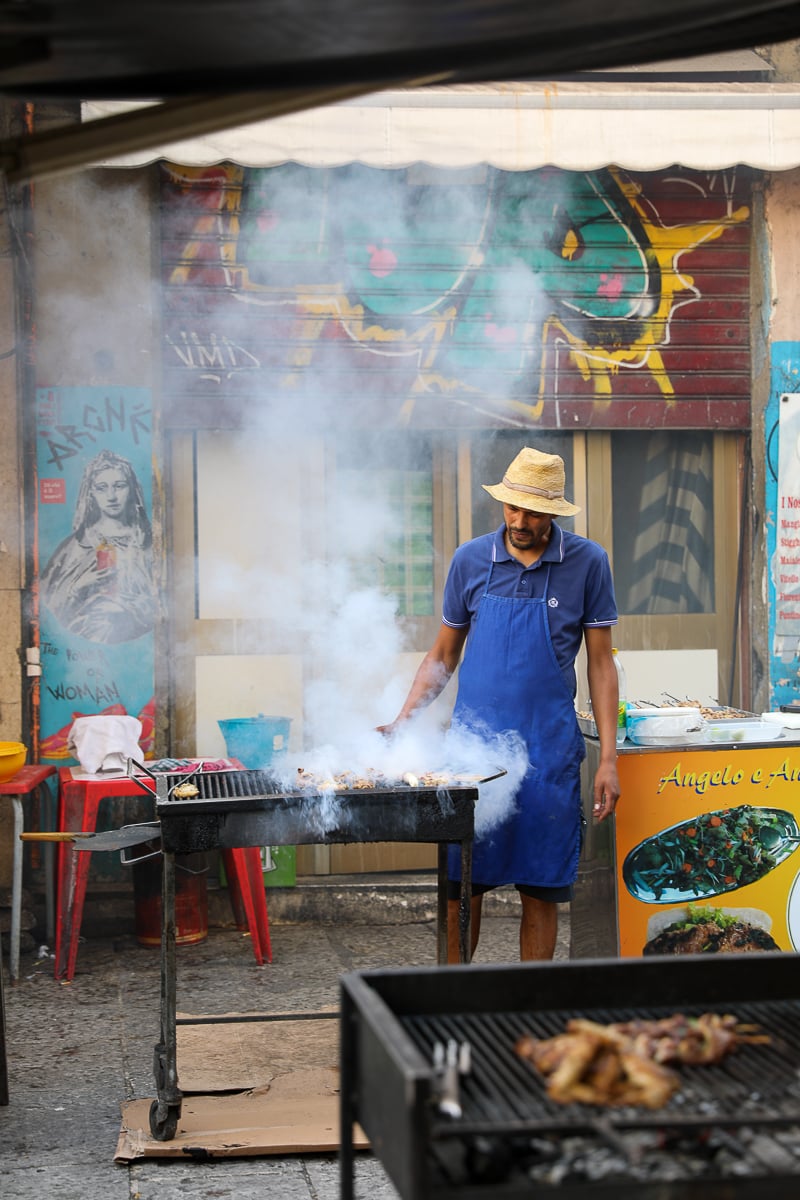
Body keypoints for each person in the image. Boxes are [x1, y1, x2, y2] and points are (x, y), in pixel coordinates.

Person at [379, 446, 620, 962]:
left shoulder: (588, 563)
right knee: (461, 890)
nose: (520, 521)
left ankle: (528, 1011)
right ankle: (454, 1005)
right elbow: (444, 653)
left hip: (547, 755)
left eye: (533, 512)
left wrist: (610, 759)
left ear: (554, 512)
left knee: (541, 889)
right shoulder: (471, 560)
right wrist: (405, 720)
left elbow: (600, 664)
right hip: (471, 758)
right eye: (513, 508)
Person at [41, 449, 157, 644]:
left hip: (135, 643)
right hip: (85, 641)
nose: (111, 496)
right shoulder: (75, 546)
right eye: (102, 487)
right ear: (91, 493)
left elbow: (171, 602)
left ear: (132, 490)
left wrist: (126, 608)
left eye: (119, 486)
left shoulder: (147, 543)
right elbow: (48, 604)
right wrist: (79, 586)